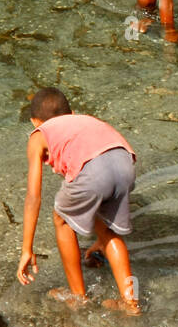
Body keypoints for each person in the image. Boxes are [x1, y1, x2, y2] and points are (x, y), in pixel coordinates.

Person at [17, 87, 141, 314]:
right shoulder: (84, 121)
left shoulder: (39, 135)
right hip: (125, 163)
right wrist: (99, 237)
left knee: (61, 218)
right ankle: (130, 303)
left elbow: (34, 196)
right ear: (71, 112)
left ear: (35, 122)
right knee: (110, 232)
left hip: (94, 171)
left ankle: (77, 296)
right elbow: (96, 181)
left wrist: (27, 248)